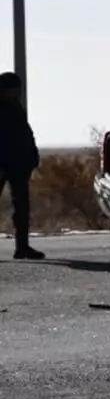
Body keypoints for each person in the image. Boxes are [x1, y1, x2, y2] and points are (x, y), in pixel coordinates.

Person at [0, 72, 44, 260]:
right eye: (12, 90)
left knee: (22, 208)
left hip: (18, 164)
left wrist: (32, 155)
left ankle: (22, 247)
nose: (15, 93)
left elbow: (25, 133)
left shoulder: (15, 108)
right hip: (3, 164)